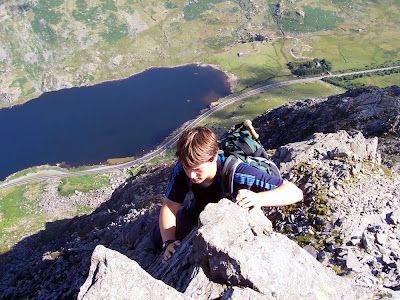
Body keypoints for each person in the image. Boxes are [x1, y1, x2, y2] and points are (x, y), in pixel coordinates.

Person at [156, 126, 303, 262]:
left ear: (213, 157)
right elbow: (169, 207)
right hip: (205, 206)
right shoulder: (182, 169)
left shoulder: (239, 173)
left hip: (237, 218)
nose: (192, 175)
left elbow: (294, 192)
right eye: (188, 168)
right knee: (157, 235)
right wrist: (168, 242)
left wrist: (258, 198)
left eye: (197, 169)